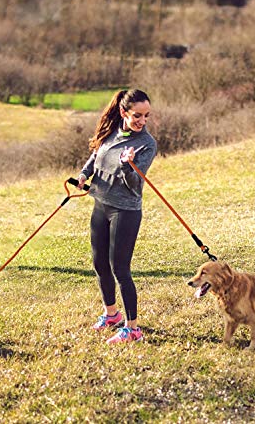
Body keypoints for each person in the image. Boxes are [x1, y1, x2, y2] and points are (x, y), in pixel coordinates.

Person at [77, 89, 157, 344]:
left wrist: (127, 164)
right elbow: (97, 154)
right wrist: (83, 174)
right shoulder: (112, 131)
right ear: (124, 113)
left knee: (120, 269)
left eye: (146, 116)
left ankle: (132, 329)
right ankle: (111, 314)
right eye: (137, 115)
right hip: (101, 204)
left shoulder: (147, 144)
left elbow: (135, 184)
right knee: (100, 263)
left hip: (125, 210)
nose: (142, 121)